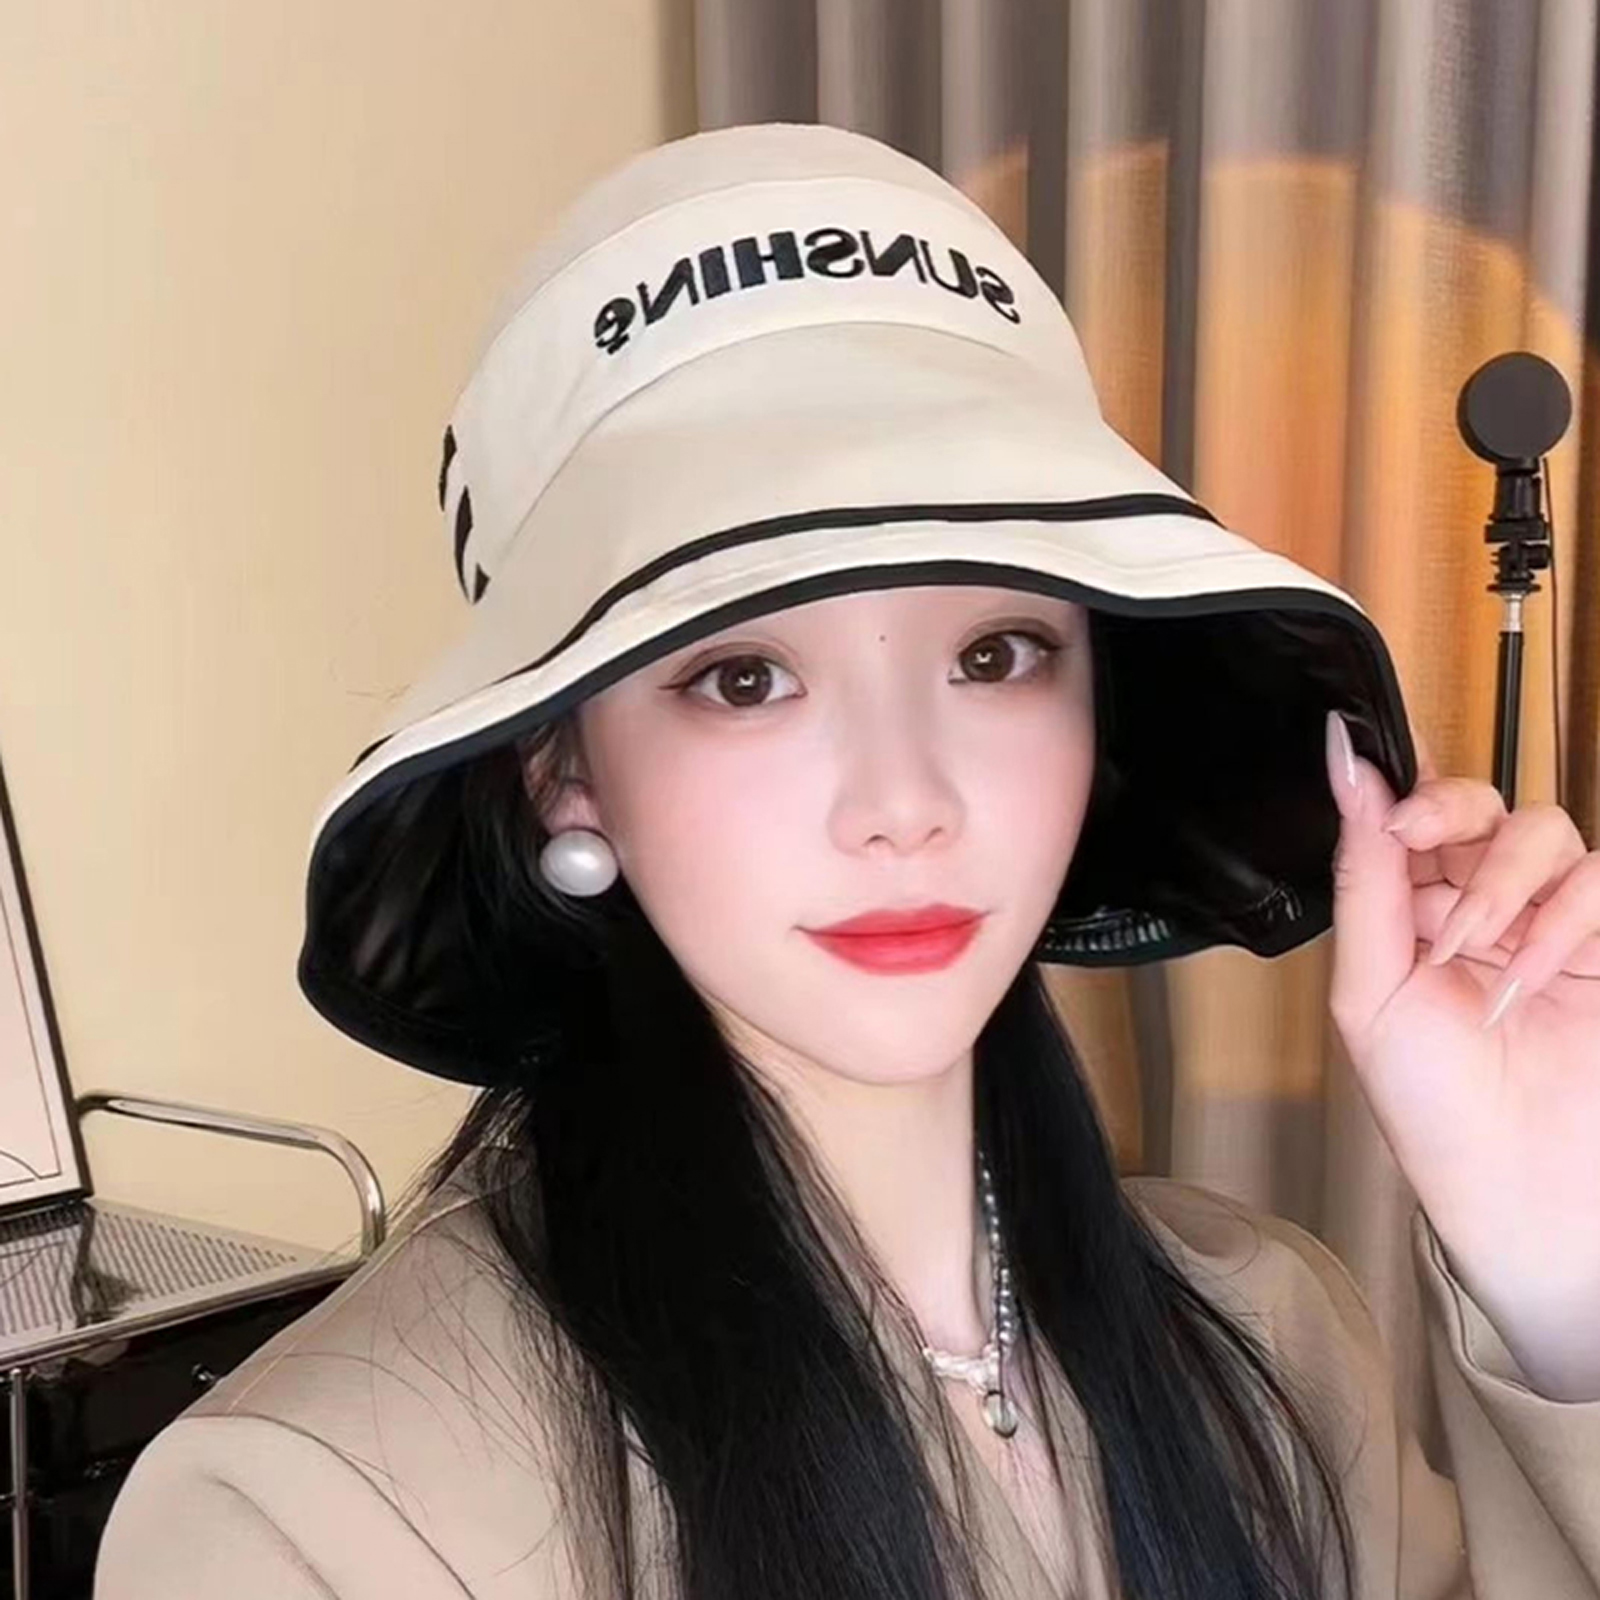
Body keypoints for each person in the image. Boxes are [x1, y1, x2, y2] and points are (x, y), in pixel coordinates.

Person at [93, 121, 1600, 1600]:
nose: (905, 803)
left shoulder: (1274, 1349)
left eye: (996, 654)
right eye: (746, 677)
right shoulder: (319, 1517)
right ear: (565, 771)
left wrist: (1560, 1267)